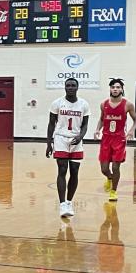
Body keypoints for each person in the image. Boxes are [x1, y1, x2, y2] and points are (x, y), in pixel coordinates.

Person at [46, 77, 91, 219]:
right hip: (60, 138)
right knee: (62, 169)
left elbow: (85, 125)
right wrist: (49, 143)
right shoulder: (57, 103)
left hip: (76, 140)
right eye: (68, 85)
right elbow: (51, 124)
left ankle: (69, 202)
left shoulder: (84, 104)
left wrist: (81, 136)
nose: (70, 87)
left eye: (73, 85)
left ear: (77, 88)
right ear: (65, 87)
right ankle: (62, 204)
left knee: (75, 171)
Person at [94, 77, 136, 202]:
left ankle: (113, 191)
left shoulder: (128, 104)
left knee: (115, 167)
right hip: (106, 138)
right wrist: (97, 129)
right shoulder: (104, 104)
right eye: (113, 87)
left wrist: (131, 131)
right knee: (104, 169)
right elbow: (102, 119)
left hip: (119, 139)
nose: (115, 89)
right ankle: (109, 178)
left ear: (122, 89)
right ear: (110, 89)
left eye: (118, 87)